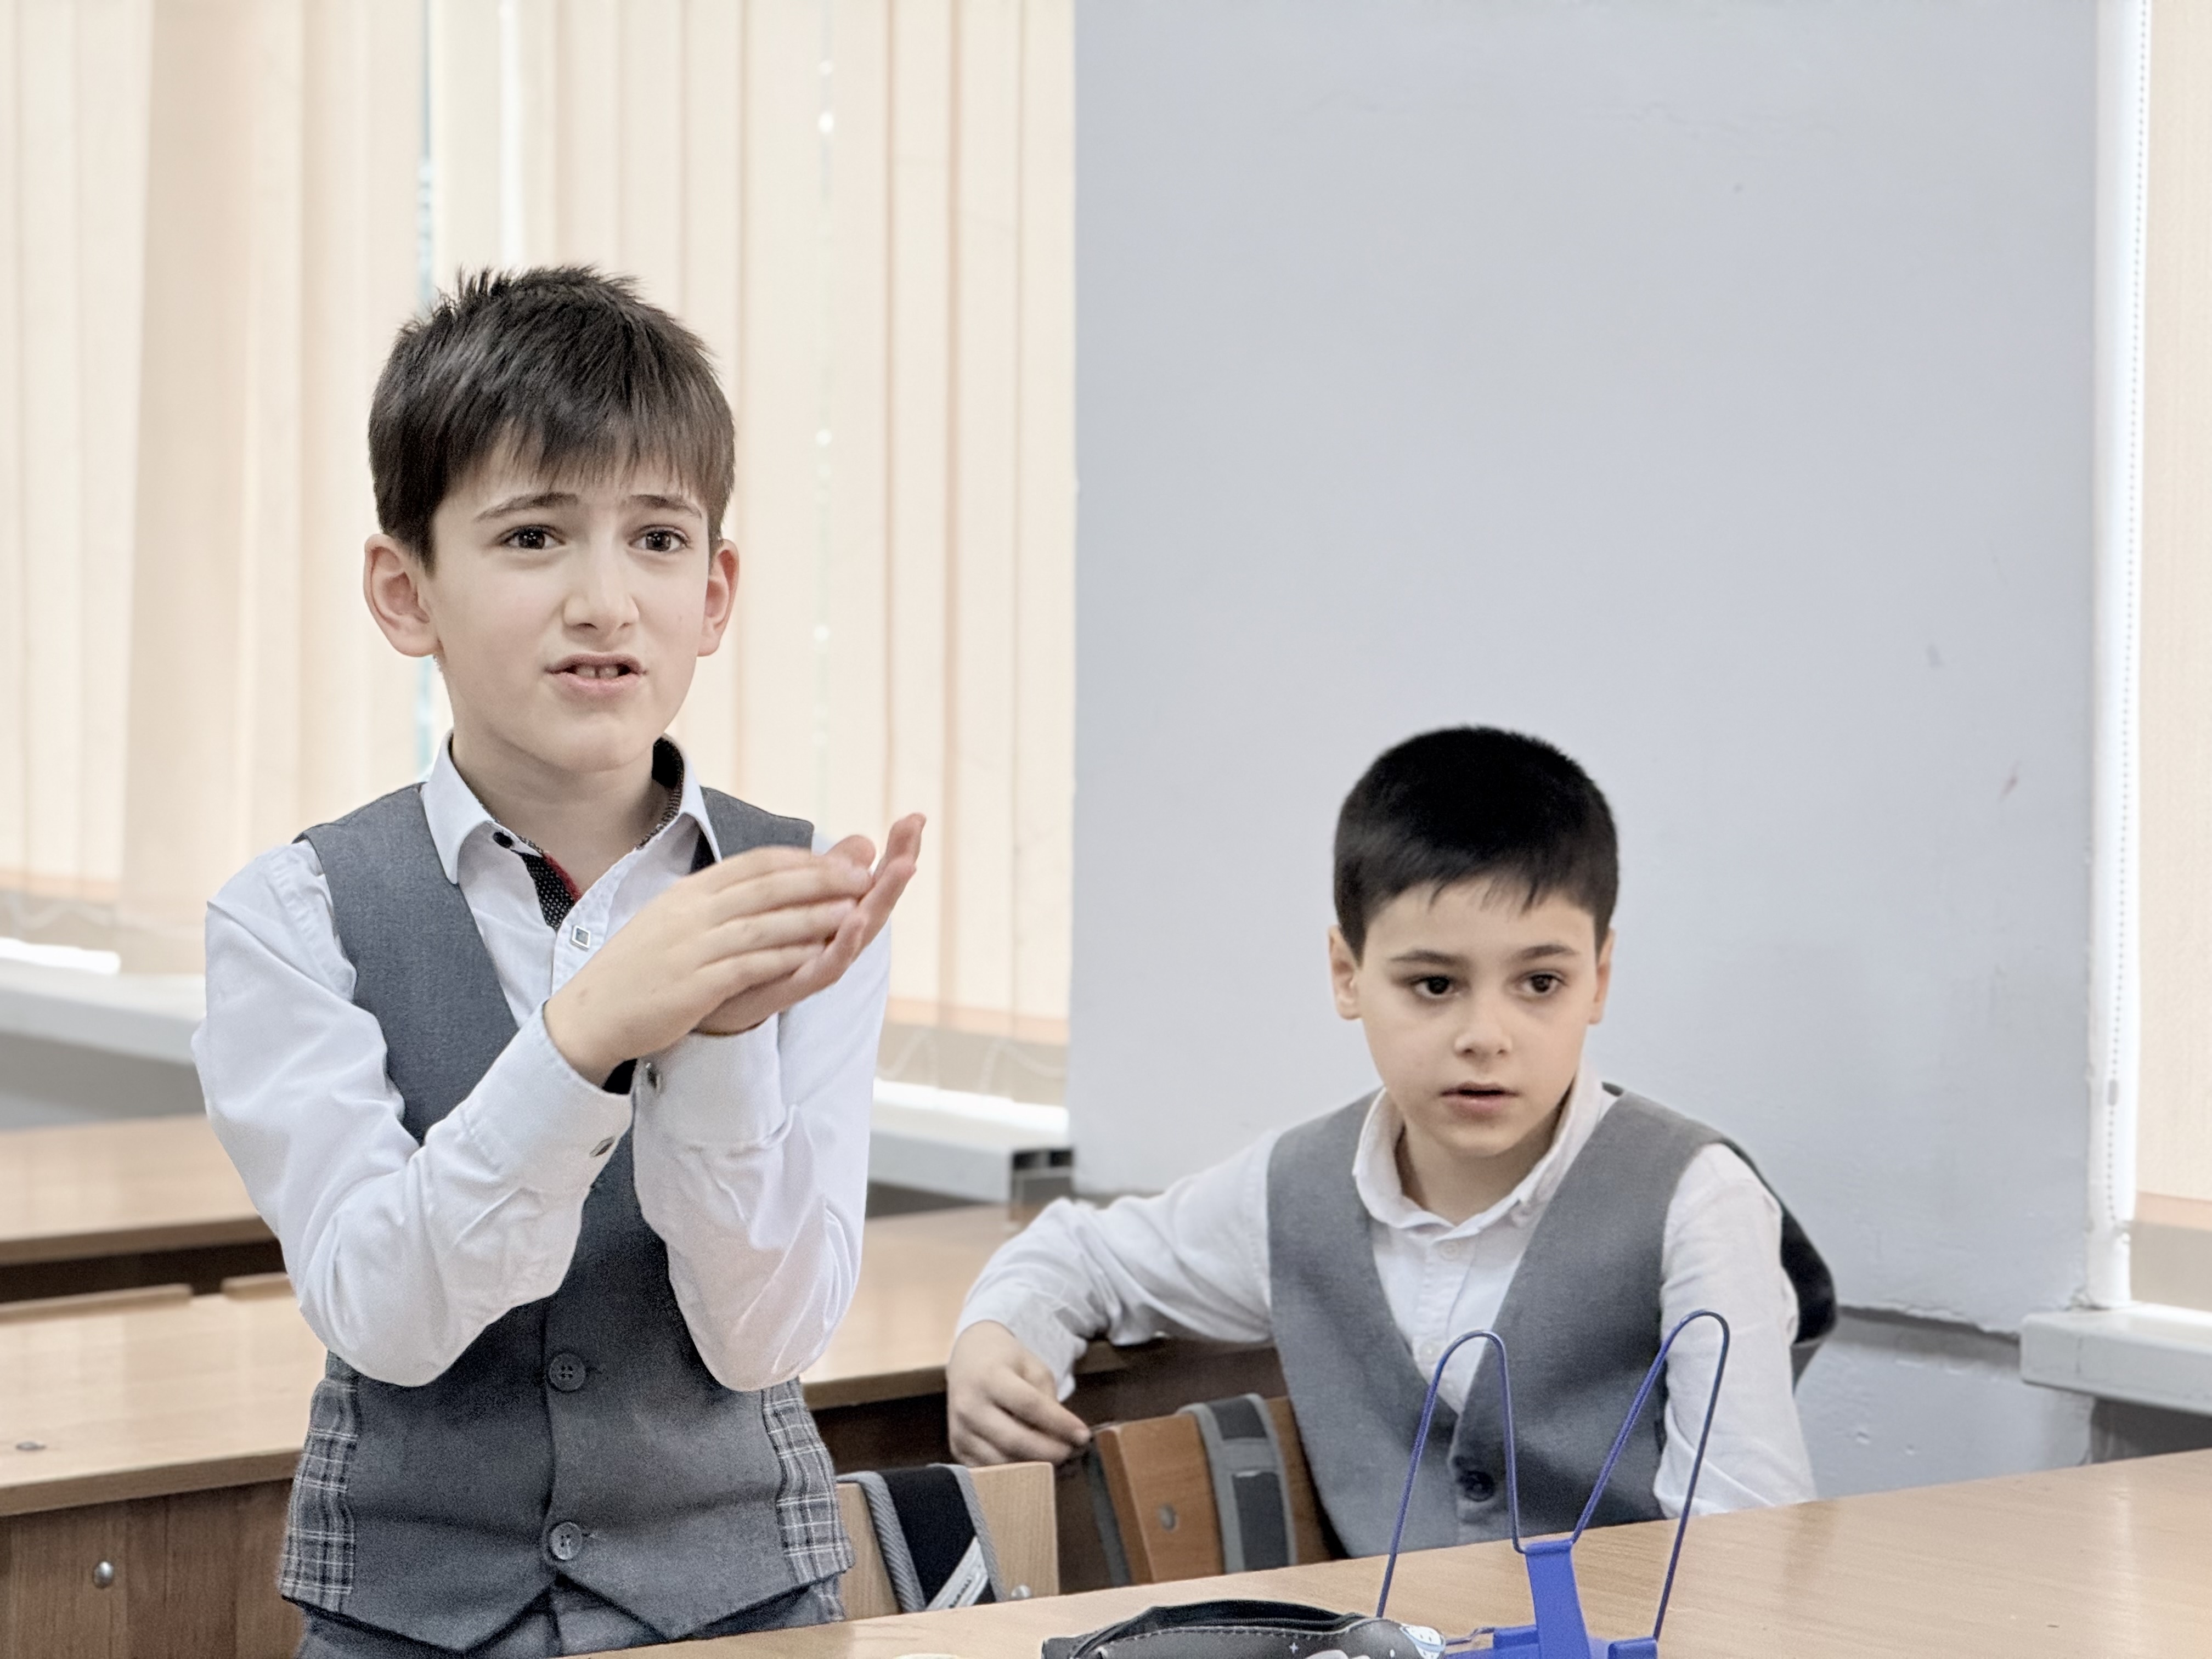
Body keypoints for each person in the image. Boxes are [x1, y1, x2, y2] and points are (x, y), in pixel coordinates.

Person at [196, 267, 924, 1657]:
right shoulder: (291, 917)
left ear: (715, 590)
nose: (606, 601)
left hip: (746, 1612)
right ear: (405, 590)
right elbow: (383, 1317)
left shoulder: (793, 898)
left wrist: (721, 1041)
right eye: (534, 536)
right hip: (406, 1623)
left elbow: (768, 1342)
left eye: (657, 539)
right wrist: (582, 1040)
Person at [947, 726, 1831, 1553]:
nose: (1486, 1036)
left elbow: (1743, 1551)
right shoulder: (1296, 1188)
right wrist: (995, 1335)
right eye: (1435, 985)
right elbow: (1086, 1257)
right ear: (1348, 975)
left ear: (1598, 979)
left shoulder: (1696, 1200)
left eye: (1540, 983)